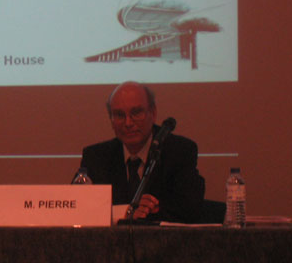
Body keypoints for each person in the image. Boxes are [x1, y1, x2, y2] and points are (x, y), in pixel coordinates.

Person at [79, 81, 204, 223]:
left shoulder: (178, 151)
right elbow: (77, 209)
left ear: (153, 113)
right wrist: (126, 213)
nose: (128, 123)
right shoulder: (96, 157)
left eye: (136, 113)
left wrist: (150, 213)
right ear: (111, 120)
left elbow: (190, 210)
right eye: (119, 115)